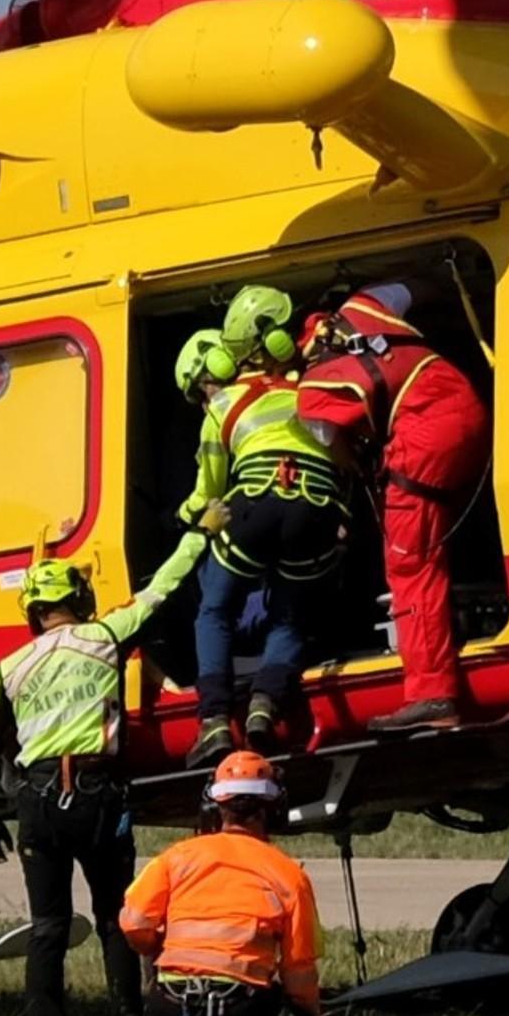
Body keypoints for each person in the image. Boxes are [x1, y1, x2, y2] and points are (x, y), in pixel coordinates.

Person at [0, 505, 229, 1016]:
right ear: (78, 602)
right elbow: (163, 589)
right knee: (115, 914)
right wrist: (201, 533)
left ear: (33, 614)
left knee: (48, 927)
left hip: (38, 804)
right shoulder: (107, 636)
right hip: (100, 797)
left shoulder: (7, 669)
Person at [296, 279, 490, 732]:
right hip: (468, 409)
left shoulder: (312, 390)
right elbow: (410, 287)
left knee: (410, 566)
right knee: (447, 535)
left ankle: (432, 695)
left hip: (423, 440)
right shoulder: (368, 306)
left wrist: (366, 470)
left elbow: (338, 450)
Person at [174, 312, 348, 768]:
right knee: (290, 618)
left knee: (214, 611)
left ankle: (213, 720)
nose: (200, 399)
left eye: (197, 390)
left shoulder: (222, 407)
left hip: (254, 505)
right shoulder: (308, 387)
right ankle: (264, 708)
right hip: (314, 510)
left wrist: (184, 515)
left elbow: (208, 492)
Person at [118, 750, 325, 1016]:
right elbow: (299, 970)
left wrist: (157, 948)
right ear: (273, 808)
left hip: (171, 1004)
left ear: (214, 805)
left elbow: (133, 923)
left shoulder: (176, 857)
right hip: (243, 1010)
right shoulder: (289, 875)